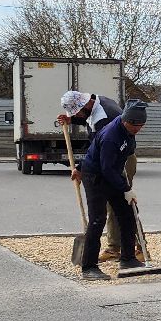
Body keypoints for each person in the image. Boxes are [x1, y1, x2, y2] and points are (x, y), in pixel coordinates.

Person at [60, 90, 134, 260]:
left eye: (76, 112)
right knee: (117, 205)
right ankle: (121, 247)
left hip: (119, 158)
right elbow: (87, 119)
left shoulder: (104, 119)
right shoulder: (98, 102)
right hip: (108, 155)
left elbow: (97, 150)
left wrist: (81, 168)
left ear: (85, 104)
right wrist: (72, 120)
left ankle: (125, 247)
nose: (77, 114)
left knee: (120, 203)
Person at [78, 101, 146, 281]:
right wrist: (125, 188)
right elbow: (106, 169)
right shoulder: (111, 136)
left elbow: (119, 162)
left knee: (127, 214)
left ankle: (128, 258)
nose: (138, 129)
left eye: (141, 126)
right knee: (97, 219)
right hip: (95, 176)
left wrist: (125, 189)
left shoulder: (128, 130)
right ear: (126, 121)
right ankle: (89, 267)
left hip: (113, 173)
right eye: (135, 126)